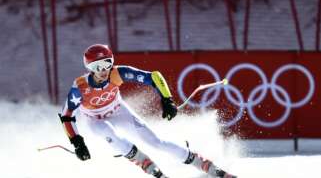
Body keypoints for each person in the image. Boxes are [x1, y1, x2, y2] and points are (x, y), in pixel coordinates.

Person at [59, 44, 236, 178]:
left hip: (119, 111)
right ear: (88, 68)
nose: (103, 70)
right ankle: (149, 166)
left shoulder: (118, 73)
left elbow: (154, 77)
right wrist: (77, 142)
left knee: (157, 142)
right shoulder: (80, 87)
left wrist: (167, 100)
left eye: (107, 63)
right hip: (94, 121)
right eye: (97, 67)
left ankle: (205, 165)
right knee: (108, 133)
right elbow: (67, 116)